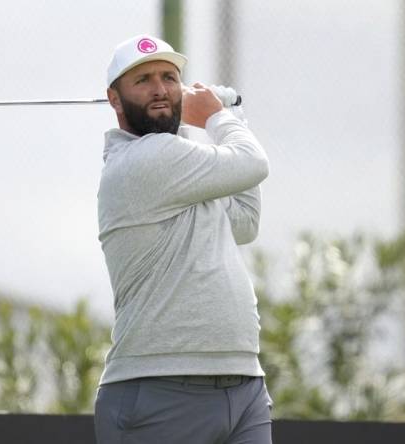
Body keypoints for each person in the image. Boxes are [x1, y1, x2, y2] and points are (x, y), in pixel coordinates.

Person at [94, 34, 273, 444]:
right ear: (115, 99)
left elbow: (245, 220)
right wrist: (216, 117)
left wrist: (229, 116)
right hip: (159, 387)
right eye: (142, 80)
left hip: (242, 385)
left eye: (169, 77)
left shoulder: (182, 174)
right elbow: (253, 162)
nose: (159, 89)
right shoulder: (145, 160)